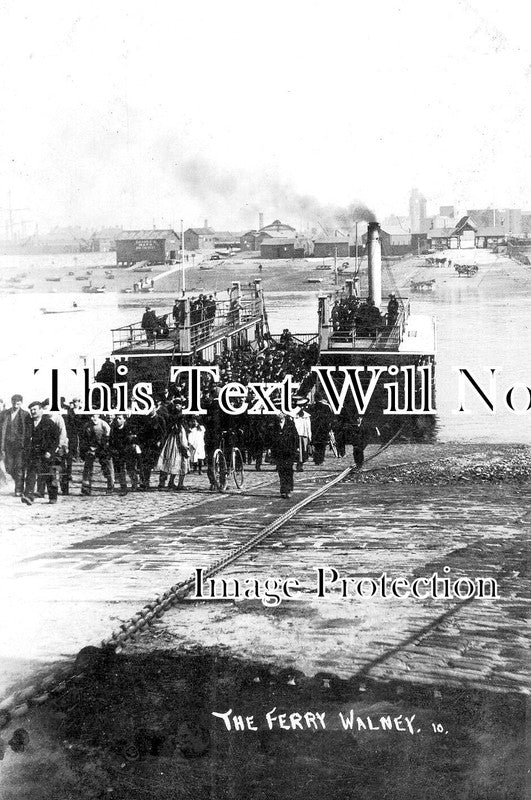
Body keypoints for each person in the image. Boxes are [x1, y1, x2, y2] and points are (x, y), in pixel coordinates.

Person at [21, 401, 60, 505]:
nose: (33, 412)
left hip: (46, 454)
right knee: (31, 474)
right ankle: (29, 496)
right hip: (33, 453)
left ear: (41, 410)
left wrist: (50, 452)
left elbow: (56, 439)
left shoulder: (49, 423)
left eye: (35, 409)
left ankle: (53, 497)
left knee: (50, 475)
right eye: (31, 410)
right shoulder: (28, 422)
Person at [0, 394, 31, 496]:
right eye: (14, 403)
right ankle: (19, 482)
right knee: (8, 467)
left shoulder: (25, 414)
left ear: (21, 403)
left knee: (19, 467)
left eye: (18, 403)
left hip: (20, 446)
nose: (15, 405)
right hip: (7, 445)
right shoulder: (5, 413)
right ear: (11, 402)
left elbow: (28, 431)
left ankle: (19, 489)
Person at [156, 405, 189, 490]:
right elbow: (183, 441)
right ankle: (179, 483)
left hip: (171, 447)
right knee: (181, 464)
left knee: (172, 463)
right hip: (179, 448)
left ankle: (170, 482)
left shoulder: (172, 428)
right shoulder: (179, 429)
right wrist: (186, 449)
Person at [80, 414, 114, 495]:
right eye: (90, 416)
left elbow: (108, 439)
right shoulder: (87, 425)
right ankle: (86, 487)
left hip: (103, 448)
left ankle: (110, 486)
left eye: (94, 416)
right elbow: (84, 439)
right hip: (91, 448)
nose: (92, 418)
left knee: (108, 466)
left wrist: (104, 449)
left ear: (98, 415)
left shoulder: (104, 425)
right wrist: (87, 449)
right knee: (87, 467)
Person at [270, 413, 299, 499]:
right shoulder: (273, 424)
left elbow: (295, 436)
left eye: (281, 412)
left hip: (289, 451)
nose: (278, 414)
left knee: (289, 469)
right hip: (278, 451)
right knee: (281, 470)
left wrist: (296, 448)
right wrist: (269, 449)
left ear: (284, 414)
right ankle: (283, 490)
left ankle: (289, 489)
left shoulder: (290, 423)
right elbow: (269, 437)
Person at [110, 414, 139, 495]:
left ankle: (134, 484)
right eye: (117, 418)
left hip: (129, 452)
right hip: (119, 452)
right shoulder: (114, 428)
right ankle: (123, 487)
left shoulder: (129, 428)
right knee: (120, 470)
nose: (118, 420)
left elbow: (134, 440)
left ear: (124, 420)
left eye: (120, 418)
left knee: (130, 468)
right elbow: (112, 440)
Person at [293, 405, 312, 472]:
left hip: (303, 436)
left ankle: (300, 465)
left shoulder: (306, 417)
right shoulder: (293, 416)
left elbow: (308, 427)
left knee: (303, 452)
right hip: (295, 436)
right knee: (296, 451)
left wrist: (309, 437)